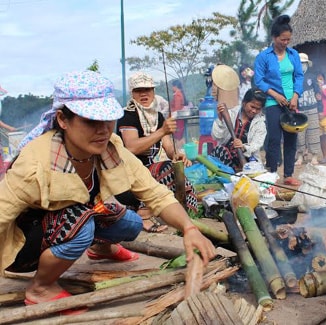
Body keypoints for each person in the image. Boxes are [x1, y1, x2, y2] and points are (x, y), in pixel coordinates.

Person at [0, 71, 215, 314]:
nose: (103, 130)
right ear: (62, 119)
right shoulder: (36, 161)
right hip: (25, 245)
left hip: (70, 222)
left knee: (131, 223)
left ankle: (100, 248)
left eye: (107, 119)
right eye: (91, 121)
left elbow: (154, 192)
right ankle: (41, 287)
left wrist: (189, 228)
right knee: (82, 222)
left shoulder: (110, 148)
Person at [116, 72, 197, 232]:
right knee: (164, 169)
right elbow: (131, 148)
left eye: (148, 90)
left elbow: (168, 147)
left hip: (145, 171)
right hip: (125, 176)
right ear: (133, 93)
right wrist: (161, 131)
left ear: (153, 92)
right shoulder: (127, 115)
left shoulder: (157, 116)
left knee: (174, 167)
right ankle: (143, 215)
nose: (144, 94)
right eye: (139, 90)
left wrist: (177, 154)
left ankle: (183, 212)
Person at [254, 14, 304, 186]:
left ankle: (288, 174)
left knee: (291, 138)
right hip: (273, 102)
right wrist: (275, 95)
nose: (285, 43)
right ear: (274, 38)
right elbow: (259, 80)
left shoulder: (293, 54)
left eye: (288, 40)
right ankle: (272, 173)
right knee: (274, 139)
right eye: (283, 39)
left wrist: (296, 96)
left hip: (291, 102)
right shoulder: (264, 57)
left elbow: (299, 76)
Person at [211, 88, 267, 170]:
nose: (254, 111)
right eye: (252, 107)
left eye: (258, 109)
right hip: (225, 156)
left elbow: (257, 143)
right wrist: (220, 120)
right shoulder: (231, 114)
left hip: (247, 158)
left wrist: (243, 147)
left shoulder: (260, 123)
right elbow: (216, 136)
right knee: (219, 150)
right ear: (244, 103)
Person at [295, 53, 321, 166]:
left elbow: (318, 94)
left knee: (314, 132)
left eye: (304, 63)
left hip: (312, 108)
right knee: (300, 134)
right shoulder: (294, 77)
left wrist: (321, 109)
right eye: (300, 63)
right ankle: (300, 156)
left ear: (307, 64)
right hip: (299, 110)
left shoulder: (312, 76)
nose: (302, 65)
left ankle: (314, 156)